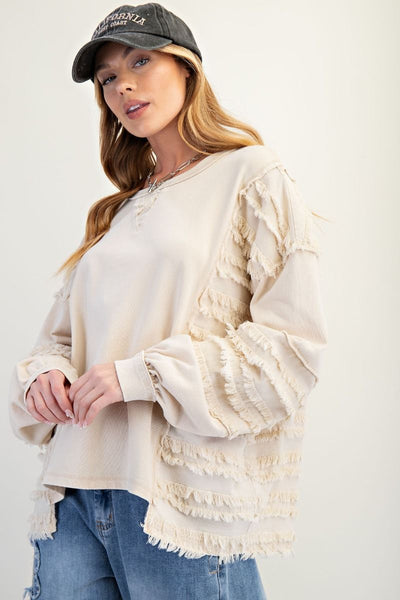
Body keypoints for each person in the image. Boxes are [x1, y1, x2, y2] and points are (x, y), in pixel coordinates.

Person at [9, 3, 328, 599]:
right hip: (72, 494)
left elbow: (292, 349)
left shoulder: (251, 176)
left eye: (140, 61)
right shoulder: (117, 212)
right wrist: (46, 375)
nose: (122, 86)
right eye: (107, 77)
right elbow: (59, 339)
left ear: (186, 68)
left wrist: (139, 375)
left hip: (171, 497)